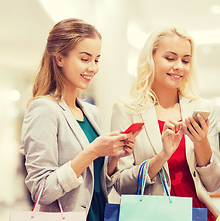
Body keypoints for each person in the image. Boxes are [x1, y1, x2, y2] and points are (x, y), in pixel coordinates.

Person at [21, 18, 135, 221]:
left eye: (97, 60)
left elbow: (98, 185)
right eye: (85, 59)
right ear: (59, 58)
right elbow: (41, 191)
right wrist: (93, 151)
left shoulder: (92, 113)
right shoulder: (43, 109)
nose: (93, 68)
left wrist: (113, 157)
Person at [110, 27, 220, 220]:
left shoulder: (203, 108)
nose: (179, 66)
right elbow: (121, 184)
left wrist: (201, 141)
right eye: (170, 58)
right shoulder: (127, 110)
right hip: (151, 214)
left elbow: (213, 183)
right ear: (151, 59)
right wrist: (162, 156)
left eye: (185, 60)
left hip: (196, 213)